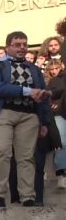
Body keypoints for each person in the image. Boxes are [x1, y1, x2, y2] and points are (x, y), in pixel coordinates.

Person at [0, 31, 51, 207]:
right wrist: (27, 91)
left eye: (24, 44)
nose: (22, 48)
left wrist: (44, 121)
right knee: (1, 152)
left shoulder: (34, 69)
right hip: (1, 114)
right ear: (8, 47)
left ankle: (27, 196)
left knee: (26, 157)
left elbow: (42, 95)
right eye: (17, 45)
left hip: (29, 116)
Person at [45, 59, 66, 188]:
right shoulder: (49, 81)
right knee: (61, 143)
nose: (54, 71)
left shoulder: (62, 78)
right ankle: (61, 174)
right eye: (51, 69)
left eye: (56, 68)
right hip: (57, 114)